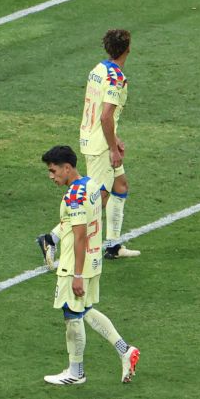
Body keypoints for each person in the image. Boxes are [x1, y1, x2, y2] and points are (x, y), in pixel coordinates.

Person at [37, 29, 140, 262]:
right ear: (128, 49)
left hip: (91, 137)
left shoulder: (98, 69)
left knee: (120, 186)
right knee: (96, 199)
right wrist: (113, 148)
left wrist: (116, 138)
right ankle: (51, 239)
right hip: (100, 145)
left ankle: (113, 246)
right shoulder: (116, 79)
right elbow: (105, 117)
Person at [40, 145, 140, 385]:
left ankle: (76, 373)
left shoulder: (73, 196)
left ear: (67, 167)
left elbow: (80, 235)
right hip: (94, 261)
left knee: (71, 315)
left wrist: (75, 274)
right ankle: (125, 350)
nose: (51, 176)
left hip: (76, 265)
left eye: (54, 171)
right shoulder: (91, 185)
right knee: (84, 310)